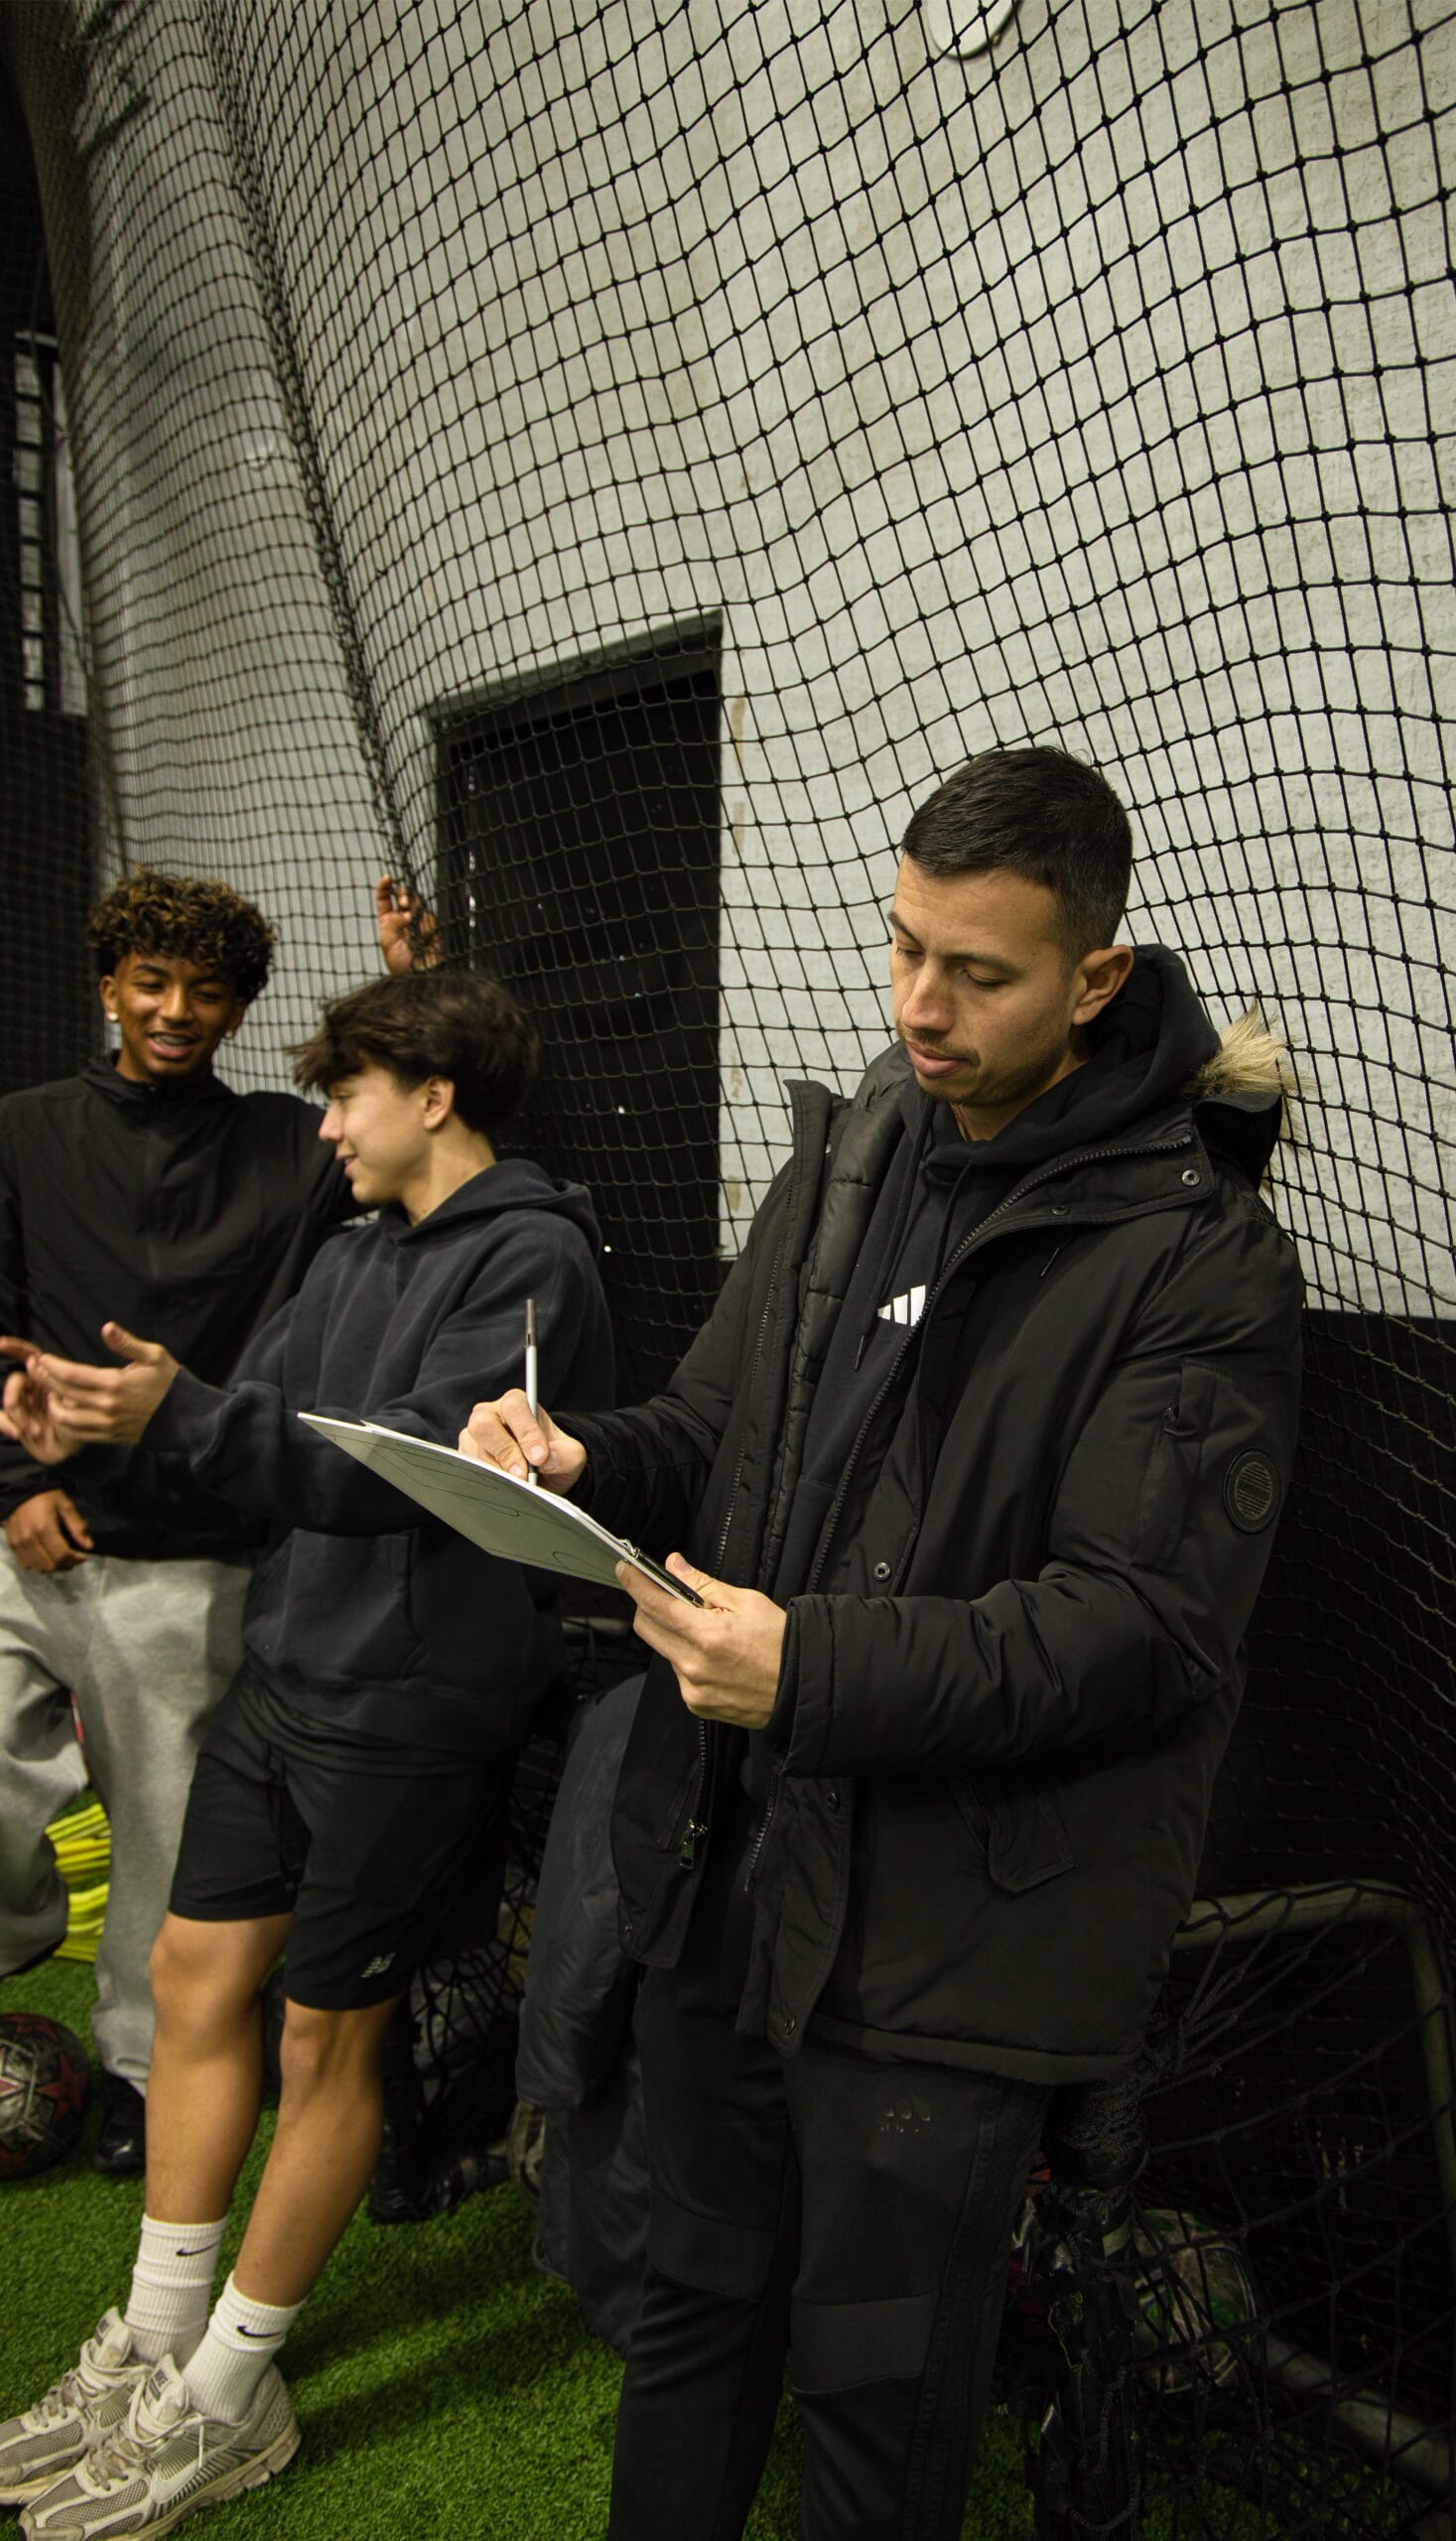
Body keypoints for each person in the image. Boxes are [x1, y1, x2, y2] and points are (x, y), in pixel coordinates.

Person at [461, 745, 1305, 2539]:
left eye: (979, 972)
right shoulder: (856, 1156)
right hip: (728, 1872)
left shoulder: (1197, 1261)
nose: (922, 1003)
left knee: (875, 2402)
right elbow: (711, 1429)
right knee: (690, 2313)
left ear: (1095, 979)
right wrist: (576, 1458)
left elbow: (1141, 1629)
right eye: (903, 946)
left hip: (941, 1945)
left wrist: (813, 1672)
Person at [0, 966, 615, 2537]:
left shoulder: (536, 1259)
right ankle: (153, 2337)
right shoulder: (351, 1253)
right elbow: (250, 1415)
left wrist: (183, 1421)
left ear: (435, 1097)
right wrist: (97, 1419)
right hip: (287, 1676)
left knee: (323, 2043)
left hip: (410, 1714)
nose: (326, 1122)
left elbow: (399, 1474)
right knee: (201, 1981)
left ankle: (232, 2393)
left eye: (349, 1092)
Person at [0, 867, 425, 2174]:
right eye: (152, 982)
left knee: (163, 1849)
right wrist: (15, 1490)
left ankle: (136, 2079)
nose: (177, 1011)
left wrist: (409, 993)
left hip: (189, 1562)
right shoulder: (18, 1133)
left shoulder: (282, 1152)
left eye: (208, 991)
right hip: (33, 1537)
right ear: (109, 984)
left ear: (239, 1009)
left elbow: (406, 1130)